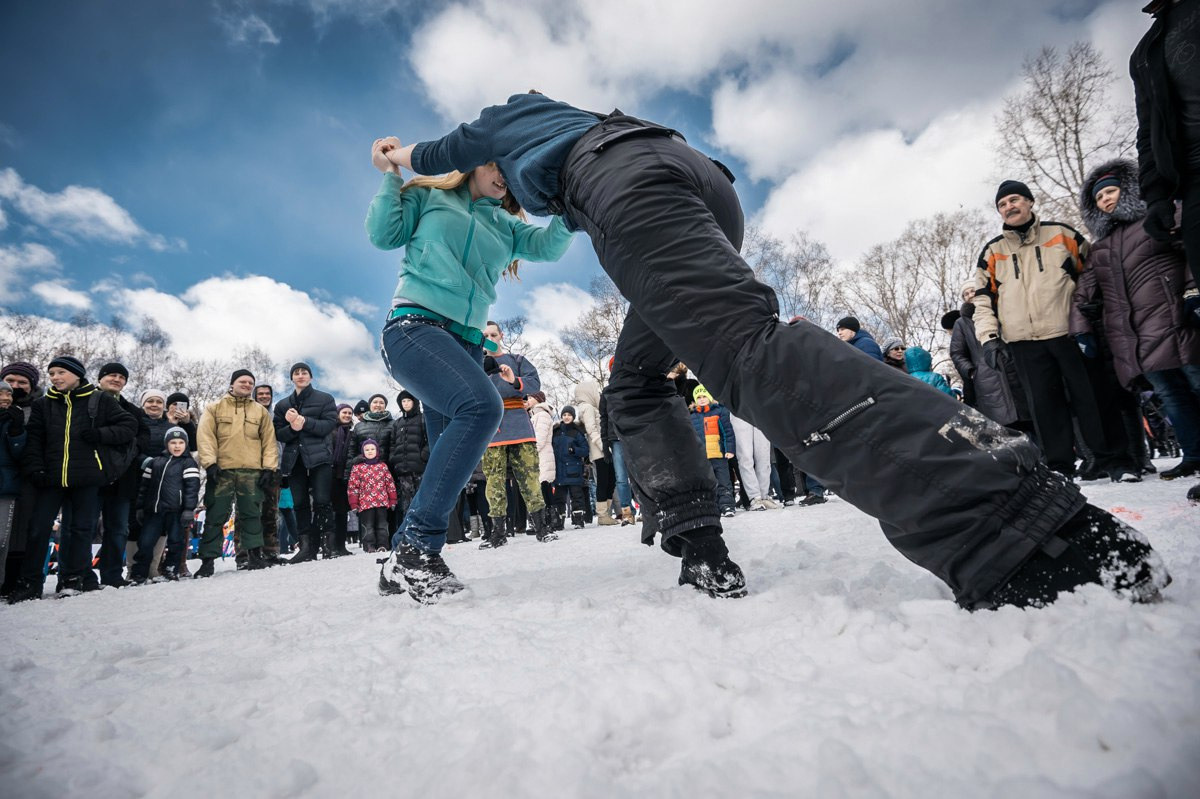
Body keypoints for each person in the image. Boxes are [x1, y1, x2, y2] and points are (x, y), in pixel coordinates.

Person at [380, 92, 1171, 608]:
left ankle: (1016, 521)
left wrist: (404, 163)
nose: (507, 190)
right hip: (694, 180)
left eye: (499, 180)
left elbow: (449, 144)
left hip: (631, 188)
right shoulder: (569, 126)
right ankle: (702, 548)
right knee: (635, 383)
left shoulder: (507, 121)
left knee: (747, 354)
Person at [366, 140, 575, 602]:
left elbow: (548, 246)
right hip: (413, 326)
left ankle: (400, 557)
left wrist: (569, 209)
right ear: (478, 161)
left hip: (462, 343)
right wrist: (389, 175)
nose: (507, 177)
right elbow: (384, 235)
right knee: (483, 407)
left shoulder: (507, 224)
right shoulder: (431, 195)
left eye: (516, 174)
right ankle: (418, 549)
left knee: (450, 454)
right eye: (501, 166)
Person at [974, 180, 1137, 482]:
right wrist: (989, 338)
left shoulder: (1062, 235)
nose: (1009, 207)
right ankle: (1060, 468)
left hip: (1070, 332)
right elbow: (983, 298)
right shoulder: (993, 251)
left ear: (1030, 202)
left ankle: (1115, 460)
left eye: (1014, 200)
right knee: (1045, 408)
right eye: (1002, 204)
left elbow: (1093, 275)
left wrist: (1092, 313)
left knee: (1093, 399)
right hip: (1023, 342)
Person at [1072, 159, 1200, 485]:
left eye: (1110, 192)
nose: (1106, 201)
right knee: (1170, 395)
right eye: (1099, 198)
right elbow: (1083, 294)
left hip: (1174, 319)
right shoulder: (1100, 250)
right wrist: (1081, 330)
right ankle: (1193, 454)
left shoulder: (1158, 219)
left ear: (1127, 190)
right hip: (1135, 337)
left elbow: (1190, 249)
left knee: (1197, 383)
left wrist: (1192, 290)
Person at [8, 356, 137, 602]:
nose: (55, 377)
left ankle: (72, 579)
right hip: (50, 478)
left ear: (77, 374)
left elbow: (128, 425)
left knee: (81, 530)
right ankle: (30, 582)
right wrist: (35, 468)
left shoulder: (99, 400)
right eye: (52, 373)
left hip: (87, 477)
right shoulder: (44, 404)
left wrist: (100, 434)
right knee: (37, 529)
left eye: (60, 372)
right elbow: (34, 439)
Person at [478, 323, 557, 547]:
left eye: (494, 334)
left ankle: (543, 528)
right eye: (485, 336)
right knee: (493, 483)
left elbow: (534, 383)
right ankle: (497, 533)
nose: (490, 338)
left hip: (521, 428)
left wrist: (514, 380)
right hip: (493, 430)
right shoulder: (475, 364)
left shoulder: (518, 360)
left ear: (501, 335)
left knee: (530, 479)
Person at [195, 369, 279, 576]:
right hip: (221, 471)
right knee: (215, 515)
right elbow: (205, 436)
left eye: (251, 383)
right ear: (232, 383)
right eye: (243, 381)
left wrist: (269, 467)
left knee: (251, 515)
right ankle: (207, 561)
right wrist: (210, 463)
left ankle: (254, 556)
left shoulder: (260, 411)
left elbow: (269, 442)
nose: (247, 385)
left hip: (252, 472)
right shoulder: (214, 408)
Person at [93, 362, 152, 588]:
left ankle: (112, 576)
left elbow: (144, 437)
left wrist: (129, 449)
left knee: (118, 529)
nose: (116, 379)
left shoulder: (133, 411)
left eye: (121, 377)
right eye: (111, 375)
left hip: (123, 477)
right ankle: (76, 576)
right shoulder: (88, 403)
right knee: (84, 527)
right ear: (100, 379)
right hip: (91, 475)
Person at [273, 363, 338, 564]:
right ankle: (306, 548)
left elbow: (328, 425)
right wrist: (293, 427)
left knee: (322, 501)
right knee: (299, 503)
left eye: (304, 372)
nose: (300, 376)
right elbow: (278, 433)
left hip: (320, 458)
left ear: (310, 376)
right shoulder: (283, 405)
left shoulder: (325, 398)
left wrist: (304, 422)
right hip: (295, 460)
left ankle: (328, 546)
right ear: (291, 378)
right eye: (296, 373)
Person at [950, 281, 1029, 431]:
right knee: (1005, 428)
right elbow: (957, 353)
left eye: (972, 291)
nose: (970, 295)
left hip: (1014, 371)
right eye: (965, 294)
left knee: (1030, 418)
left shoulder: (999, 310)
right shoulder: (961, 323)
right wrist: (972, 372)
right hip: (986, 381)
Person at [130, 427, 200, 583]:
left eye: (181, 442)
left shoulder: (188, 463)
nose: (177, 446)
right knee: (146, 542)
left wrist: (189, 509)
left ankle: (170, 569)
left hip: (177, 511)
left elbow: (192, 488)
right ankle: (139, 572)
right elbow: (144, 487)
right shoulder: (155, 462)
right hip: (154, 510)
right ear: (166, 444)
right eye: (173, 442)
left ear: (186, 444)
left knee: (176, 541)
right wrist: (140, 507)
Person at [0, 362, 41, 595]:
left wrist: (17, 429)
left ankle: (13, 580)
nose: (15, 386)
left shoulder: (37, 409)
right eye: (10, 381)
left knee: (17, 531)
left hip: (25, 477)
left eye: (22, 383)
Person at [689, 385, 737, 518]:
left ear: (709, 397)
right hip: (703, 458)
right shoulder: (693, 417)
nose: (702, 399)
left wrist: (729, 449)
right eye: (699, 397)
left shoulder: (719, 411)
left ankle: (727, 505)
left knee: (723, 481)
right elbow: (691, 439)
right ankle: (713, 506)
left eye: (704, 396)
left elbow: (727, 432)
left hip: (719, 454)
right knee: (709, 483)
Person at [347, 439, 397, 553]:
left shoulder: (383, 466)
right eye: (367, 449)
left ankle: (383, 545)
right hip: (366, 503)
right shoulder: (358, 468)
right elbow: (353, 486)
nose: (370, 451)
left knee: (382, 525)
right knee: (368, 526)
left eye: (372, 449)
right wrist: (354, 503)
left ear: (377, 451)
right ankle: (369, 546)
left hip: (382, 502)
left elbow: (390, 484)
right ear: (363, 452)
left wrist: (393, 500)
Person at [388, 390, 428, 527]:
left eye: (408, 401)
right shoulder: (397, 423)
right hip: (402, 469)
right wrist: (394, 459)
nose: (405, 404)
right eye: (403, 401)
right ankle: (408, 529)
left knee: (422, 500)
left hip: (420, 468)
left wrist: (423, 455)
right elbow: (392, 444)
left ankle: (424, 528)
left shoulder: (423, 418)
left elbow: (429, 440)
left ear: (415, 402)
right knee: (406, 502)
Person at [551, 406, 590, 528]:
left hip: (574, 470)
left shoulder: (577, 432)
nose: (566, 417)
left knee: (576, 496)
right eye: (564, 415)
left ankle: (578, 520)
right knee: (559, 498)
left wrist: (575, 450)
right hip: (559, 471)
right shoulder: (555, 431)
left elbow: (585, 450)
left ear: (573, 417)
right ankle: (558, 522)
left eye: (569, 415)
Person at [729, 412, 776, 510]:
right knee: (745, 457)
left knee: (763, 456)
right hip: (739, 411)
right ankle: (755, 497)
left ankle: (764, 495)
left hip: (759, 408)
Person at [526, 391, 559, 528]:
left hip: (542, 457)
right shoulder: (534, 415)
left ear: (538, 399)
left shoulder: (542, 415)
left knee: (543, 488)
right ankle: (546, 520)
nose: (527, 399)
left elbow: (540, 438)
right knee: (541, 488)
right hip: (540, 457)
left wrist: (530, 453)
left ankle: (550, 520)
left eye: (530, 397)